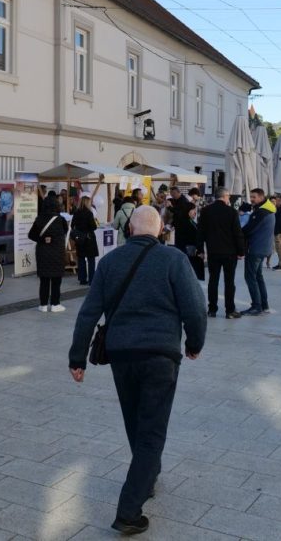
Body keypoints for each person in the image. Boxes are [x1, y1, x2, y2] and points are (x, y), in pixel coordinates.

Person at [67, 206, 206, 536]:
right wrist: (194, 343)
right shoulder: (174, 260)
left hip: (122, 354)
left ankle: (147, 475)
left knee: (134, 419)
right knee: (152, 430)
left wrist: (77, 358)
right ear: (160, 231)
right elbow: (195, 308)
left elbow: (88, 313)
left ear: (129, 229)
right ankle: (129, 510)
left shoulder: (110, 262)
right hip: (160, 354)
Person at [197, 188, 246, 318]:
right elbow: (237, 233)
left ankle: (212, 309)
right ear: (224, 196)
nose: (229, 199)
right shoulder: (231, 212)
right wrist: (241, 251)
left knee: (213, 280)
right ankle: (230, 310)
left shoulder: (206, 211)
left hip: (213, 251)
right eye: (228, 196)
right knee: (229, 281)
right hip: (230, 252)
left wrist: (200, 249)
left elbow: (200, 232)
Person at [29, 195, 69, 313]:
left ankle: (43, 305)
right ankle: (55, 304)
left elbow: (31, 235)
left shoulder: (39, 219)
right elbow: (66, 231)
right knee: (56, 280)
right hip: (57, 253)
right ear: (56, 205)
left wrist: (42, 239)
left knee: (44, 280)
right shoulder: (60, 219)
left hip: (42, 253)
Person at [240, 189, 275, 316]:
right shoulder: (269, 209)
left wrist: (237, 231)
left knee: (250, 277)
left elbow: (248, 229)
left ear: (261, 197)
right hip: (264, 248)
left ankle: (256, 306)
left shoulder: (261, 212)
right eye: (251, 197)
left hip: (255, 249)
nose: (252, 199)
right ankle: (264, 305)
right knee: (258, 276)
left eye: (254, 197)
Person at [70, 195, 99, 286]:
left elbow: (72, 225)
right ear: (87, 203)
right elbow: (93, 227)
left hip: (80, 238)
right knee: (91, 260)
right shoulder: (89, 213)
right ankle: (91, 279)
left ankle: (82, 279)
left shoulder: (76, 212)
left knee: (81, 259)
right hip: (89, 238)